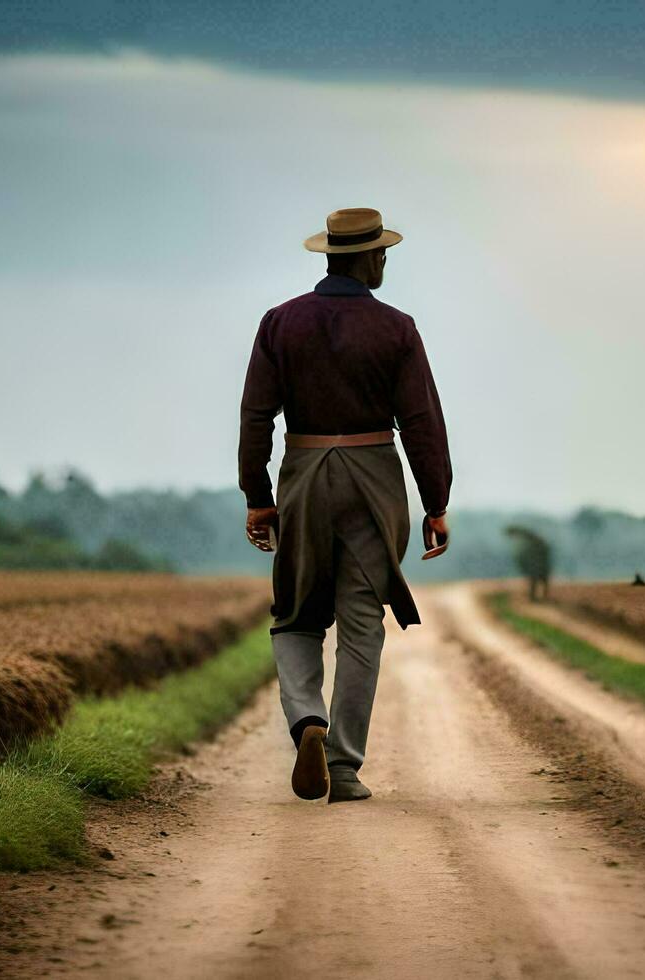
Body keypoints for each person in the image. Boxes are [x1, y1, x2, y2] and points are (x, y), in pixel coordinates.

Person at [238, 207, 453, 804]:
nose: (384, 260)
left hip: (304, 475)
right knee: (362, 623)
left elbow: (256, 416)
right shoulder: (397, 328)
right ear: (366, 258)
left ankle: (307, 719)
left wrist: (258, 497)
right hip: (373, 478)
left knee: (296, 612)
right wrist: (436, 501)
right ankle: (344, 764)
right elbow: (420, 423)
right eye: (381, 253)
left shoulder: (280, 323)